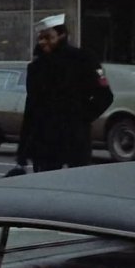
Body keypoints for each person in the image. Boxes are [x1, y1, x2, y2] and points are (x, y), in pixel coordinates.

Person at [15, 14, 114, 173]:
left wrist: (80, 118)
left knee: (74, 188)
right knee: (44, 190)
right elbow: (31, 108)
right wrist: (23, 151)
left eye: (48, 37)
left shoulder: (84, 59)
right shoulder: (36, 68)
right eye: (40, 38)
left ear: (62, 35)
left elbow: (105, 96)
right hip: (44, 143)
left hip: (75, 140)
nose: (43, 42)